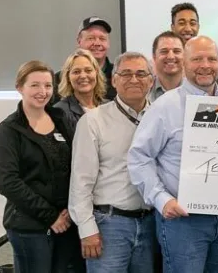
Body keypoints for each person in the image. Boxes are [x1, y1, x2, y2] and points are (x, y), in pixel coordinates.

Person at [128, 36, 218, 273]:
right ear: (185, 64)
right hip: (183, 221)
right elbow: (139, 158)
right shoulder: (165, 106)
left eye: (211, 59)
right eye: (197, 59)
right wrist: (161, 199)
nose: (205, 65)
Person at [0, 60, 85, 273]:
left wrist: (70, 211)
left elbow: (78, 166)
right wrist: (50, 216)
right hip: (29, 227)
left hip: (67, 222)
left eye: (48, 85)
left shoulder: (62, 119)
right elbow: (7, 181)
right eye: (35, 85)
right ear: (19, 87)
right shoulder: (9, 130)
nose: (42, 91)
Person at [69, 52, 157, 272]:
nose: (134, 79)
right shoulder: (93, 121)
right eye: (126, 74)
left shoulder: (161, 117)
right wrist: (87, 229)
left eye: (141, 74)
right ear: (114, 80)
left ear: (151, 80)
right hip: (109, 226)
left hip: (150, 224)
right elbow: (81, 181)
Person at [52, 17, 115, 104]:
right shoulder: (58, 80)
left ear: (108, 43)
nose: (97, 43)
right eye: (91, 38)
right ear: (79, 42)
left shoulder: (120, 76)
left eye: (102, 39)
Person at [55, 49, 109, 125]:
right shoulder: (60, 112)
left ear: (96, 73)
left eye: (88, 70)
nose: (83, 76)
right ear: (68, 77)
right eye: (76, 72)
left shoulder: (110, 107)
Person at [149, 31, 186, 102]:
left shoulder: (195, 91)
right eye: (164, 51)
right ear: (154, 57)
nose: (171, 57)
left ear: (185, 56)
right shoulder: (144, 91)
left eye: (176, 51)